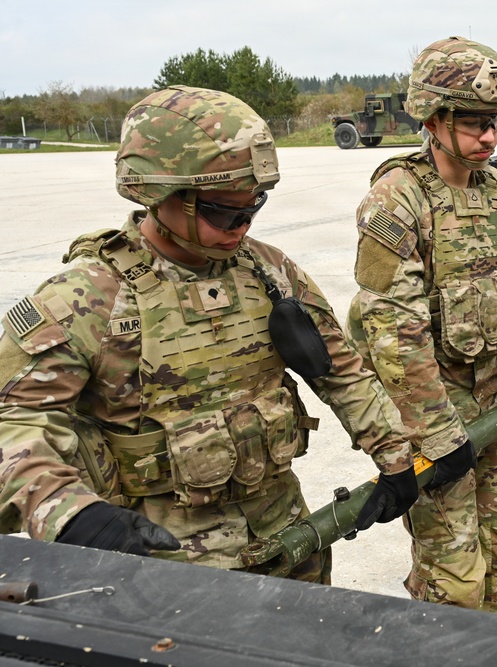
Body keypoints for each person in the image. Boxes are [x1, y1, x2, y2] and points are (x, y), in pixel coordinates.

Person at [0, 86, 418, 583]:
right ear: (157, 194)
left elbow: (342, 372)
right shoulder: (89, 296)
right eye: (222, 210)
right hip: (161, 557)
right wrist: (68, 511)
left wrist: (395, 456)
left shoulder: (269, 272)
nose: (241, 226)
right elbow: (14, 417)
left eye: (253, 208)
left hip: (286, 538)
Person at [345, 36, 497, 614]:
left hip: (494, 402)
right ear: (433, 119)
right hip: (432, 413)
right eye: (474, 124)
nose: (491, 136)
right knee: (454, 579)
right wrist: (438, 438)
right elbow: (395, 336)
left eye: (496, 122)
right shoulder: (397, 199)